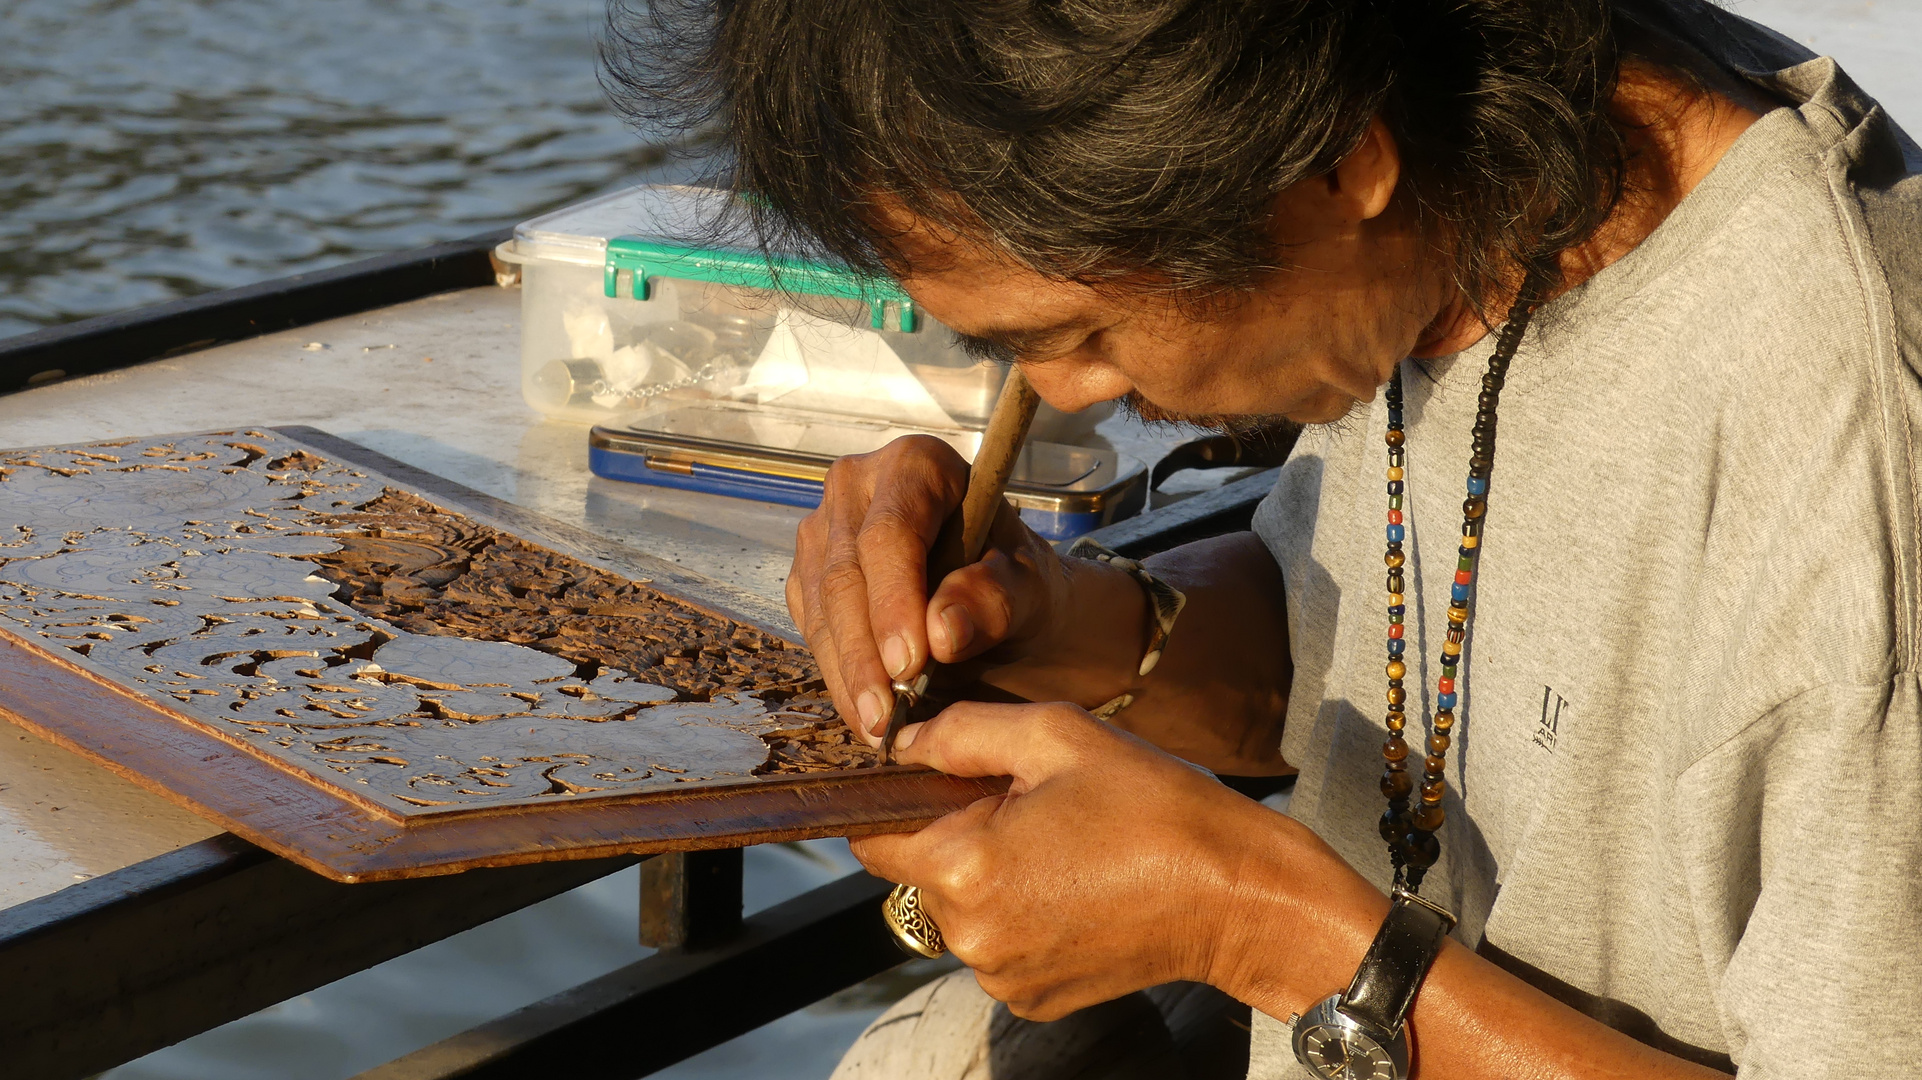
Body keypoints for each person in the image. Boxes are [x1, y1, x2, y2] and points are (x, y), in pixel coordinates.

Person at [606, 0, 1922, 1075]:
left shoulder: (1851, 442)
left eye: (1076, 335)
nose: (1062, 397)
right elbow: (1358, 668)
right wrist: (1063, 622)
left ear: (1336, 158)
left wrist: (1262, 933)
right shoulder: (1458, 194)